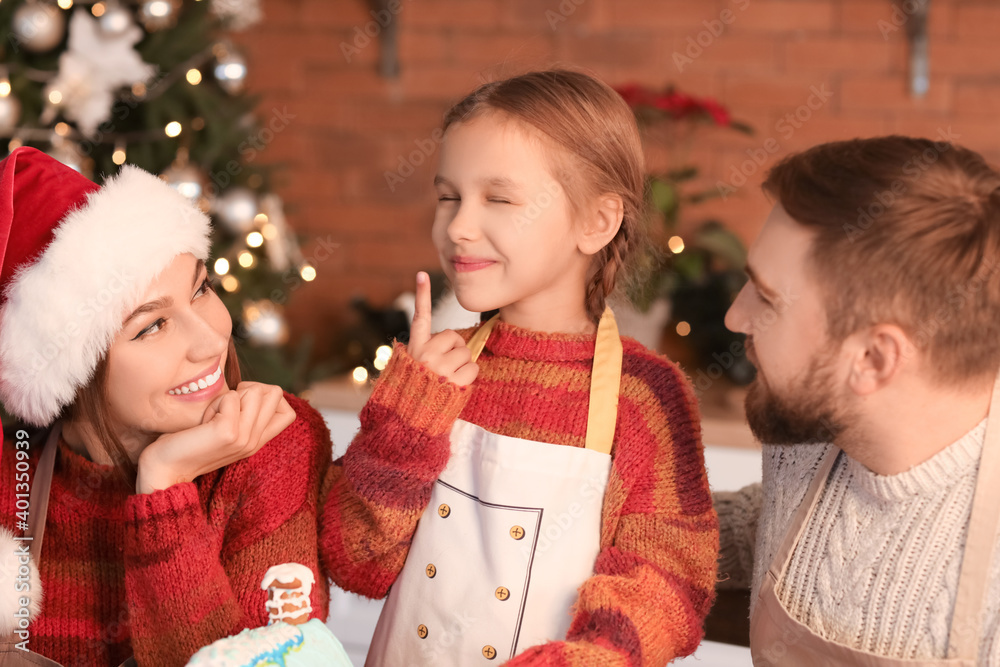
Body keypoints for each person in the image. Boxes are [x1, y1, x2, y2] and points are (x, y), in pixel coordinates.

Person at [320, 70, 718, 665]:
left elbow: (667, 582)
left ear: (596, 223)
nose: (457, 225)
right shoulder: (431, 373)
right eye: (448, 195)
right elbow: (357, 562)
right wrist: (405, 422)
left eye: (499, 199)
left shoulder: (644, 395)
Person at [0, 147, 333, 666]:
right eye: (151, 326)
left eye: (200, 289)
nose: (210, 340)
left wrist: (164, 490)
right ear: (72, 373)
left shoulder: (274, 444)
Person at [715, 136, 1000, 665]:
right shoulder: (808, 434)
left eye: (767, 298)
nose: (735, 317)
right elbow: (797, 540)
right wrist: (641, 523)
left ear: (872, 358)